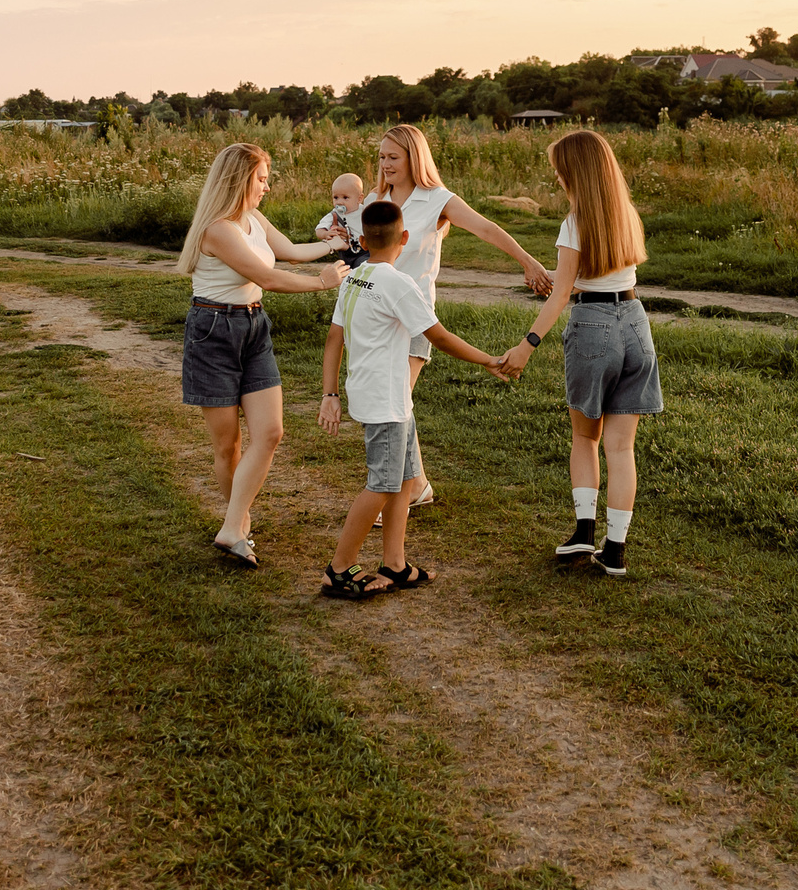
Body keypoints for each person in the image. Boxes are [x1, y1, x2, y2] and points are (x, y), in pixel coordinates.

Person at [315, 200, 509, 598]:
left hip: (383, 394)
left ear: (363, 239)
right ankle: (338, 569)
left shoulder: (353, 277)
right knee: (382, 485)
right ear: (404, 238)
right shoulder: (399, 283)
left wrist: (329, 393)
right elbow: (439, 337)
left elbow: (334, 339)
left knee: (403, 479)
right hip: (386, 401)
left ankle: (395, 564)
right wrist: (488, 360)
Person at [177, 142, 350, 568]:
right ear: (240, 180)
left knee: (270, 432)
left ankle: (233, 527)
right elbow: (268, 277)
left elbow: (290, 250)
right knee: (228, 445)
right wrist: (322, 283)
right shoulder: (218, 229)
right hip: (214, 331)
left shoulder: (253, 218)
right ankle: (237, 526)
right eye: (261, 179)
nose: (266, 187)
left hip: (254, 327)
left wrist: (335, 245)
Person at [371, 124, 554, 512]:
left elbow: (486, 229)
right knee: (394, 401)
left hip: (415, 316)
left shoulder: (438, 199)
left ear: (414, 158)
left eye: (393, 157)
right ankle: (417, 485)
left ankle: (393, 493)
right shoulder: (376, 198)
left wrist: (528, 261)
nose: (385, 164)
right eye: (382, 156)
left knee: (395, 401)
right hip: (375, 316)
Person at [502, 129, 656, 578]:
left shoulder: (574, 223)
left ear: (576, 172)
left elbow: (563, 295)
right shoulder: (626, 214)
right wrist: (555, 275)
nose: (556, 177)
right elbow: (599, 273)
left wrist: (527, 345)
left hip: (593, 325)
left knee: (585, 437)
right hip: (635, 323)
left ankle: (584, 531)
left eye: (559, 170)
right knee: (621, 447)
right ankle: (615, 551)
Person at [314, 170, 370, 268]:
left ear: (359, 198)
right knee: (347, 269)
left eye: (345, 197)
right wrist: (326, 234)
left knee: (362, 265)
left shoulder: (365, 211)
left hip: (365, 251)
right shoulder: (334, 214)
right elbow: (319, 230)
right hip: (346, 252)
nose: (339, 202)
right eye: (336, 197)